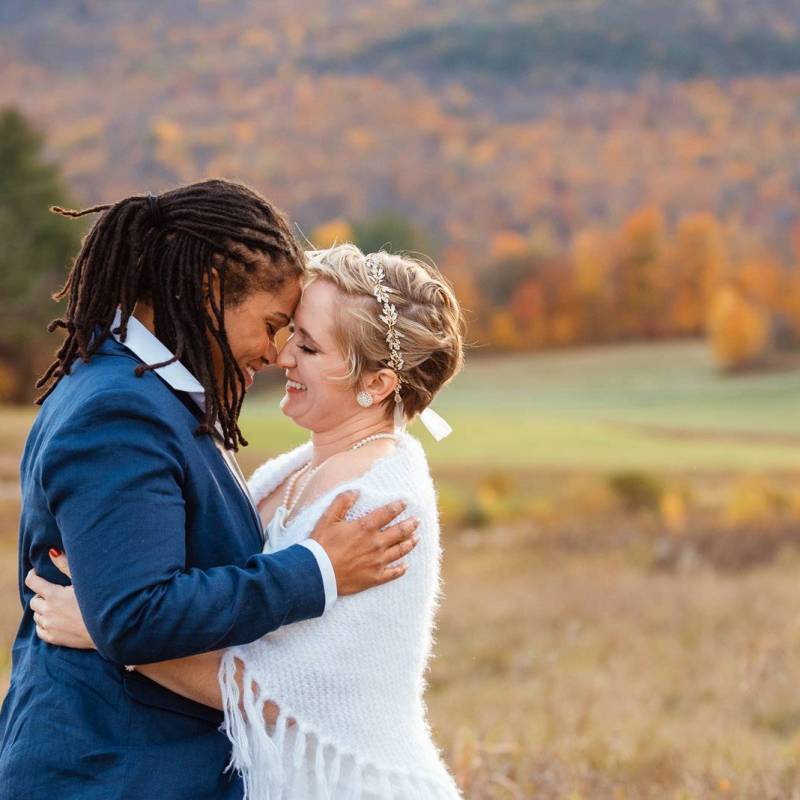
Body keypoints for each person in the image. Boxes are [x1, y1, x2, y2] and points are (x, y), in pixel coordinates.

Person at [0, 183, 418, 800]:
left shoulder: (142, 389)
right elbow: (137, 614)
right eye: (273, 326)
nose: (277, 354)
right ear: (209, 292)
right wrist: (318, 569)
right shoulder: (121, 411)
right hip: (108, 771)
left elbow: (124, 607)